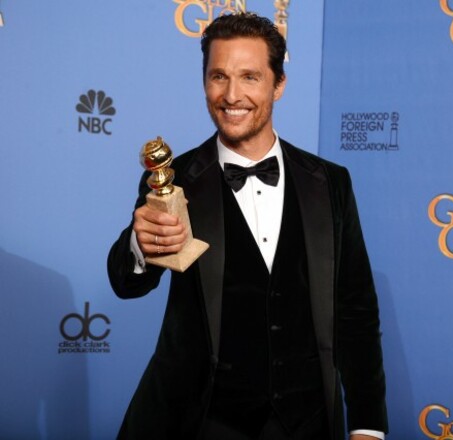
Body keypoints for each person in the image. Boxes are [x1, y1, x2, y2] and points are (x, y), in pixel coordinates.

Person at [107, 12, 388, 440]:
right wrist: (139, 245)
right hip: (201, 421)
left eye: (250, 77)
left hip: (307, 422)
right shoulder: (175, 178)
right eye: (218, 76)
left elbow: (357, 310)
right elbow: (127, 284)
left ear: (279, 84)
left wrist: (368, 425)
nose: (232, 95)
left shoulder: (330, 182)